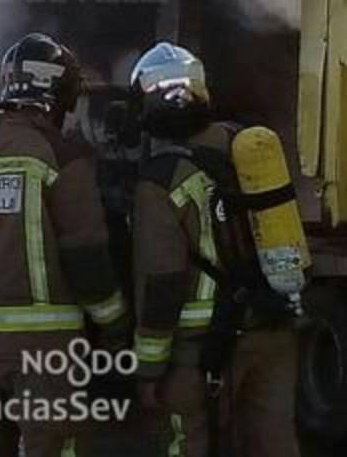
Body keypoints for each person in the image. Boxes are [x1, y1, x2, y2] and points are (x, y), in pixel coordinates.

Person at [0, 32, 129, 457]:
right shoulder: (63, 157)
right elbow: (86, 254)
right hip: (48, 357)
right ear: (59, 97)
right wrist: (115, 323)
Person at [129, 42, 301, 457]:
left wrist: (149, 369)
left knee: (190, 443)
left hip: (203, 348)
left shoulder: (159, 180)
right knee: (272, 443)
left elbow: (163, 279)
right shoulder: (246, 145)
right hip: (273, 329)